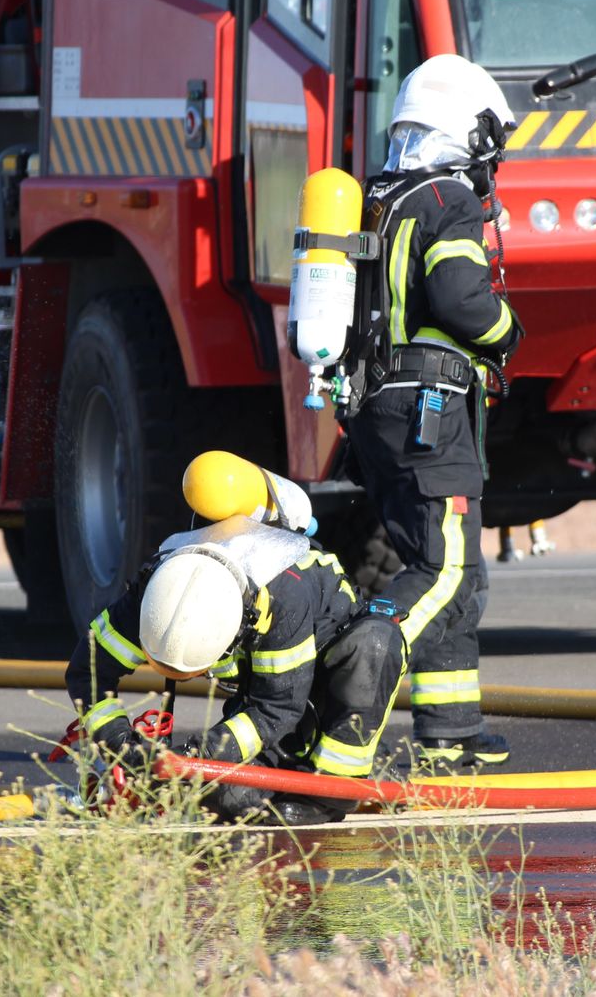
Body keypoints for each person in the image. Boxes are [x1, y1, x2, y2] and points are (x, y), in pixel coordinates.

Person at [345, 54, 522, 769]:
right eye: (490, 140)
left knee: (454, 569)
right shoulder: (447, 197)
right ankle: (351, 685)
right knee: (442, 571)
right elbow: (458, 300)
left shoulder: (378, 195)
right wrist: (508, 331)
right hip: (431, 411)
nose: (492, 158)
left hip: (380, 411)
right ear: (465, 130)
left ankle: (450, 732)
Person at [65, 512, 406, 826]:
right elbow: (88, 671)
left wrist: (207, 753)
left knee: (375, 644)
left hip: (322, 674)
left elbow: (278, 708)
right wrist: (121, 745)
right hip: (265, 693)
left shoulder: (282, 599)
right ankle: (285, 787)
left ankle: (330, 796)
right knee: (229, 799)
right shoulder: (155, 591)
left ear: (235, 629)